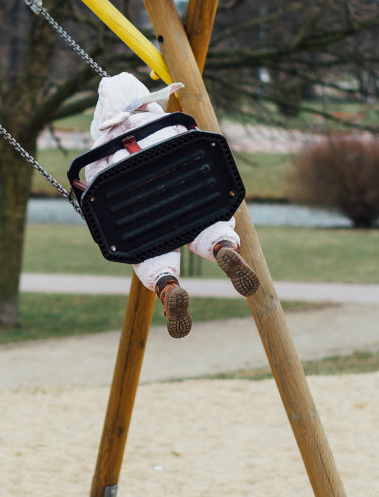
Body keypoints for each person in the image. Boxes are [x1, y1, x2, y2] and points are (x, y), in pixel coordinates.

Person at [84, 72, 260, 339]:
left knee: (148, 252)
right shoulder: (166, 123)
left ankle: (166, 284)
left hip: (147, 221)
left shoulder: (102, 149)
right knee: (210, 220)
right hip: (191, 203)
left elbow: (94, 191)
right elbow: (197, 144)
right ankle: (221, 245)